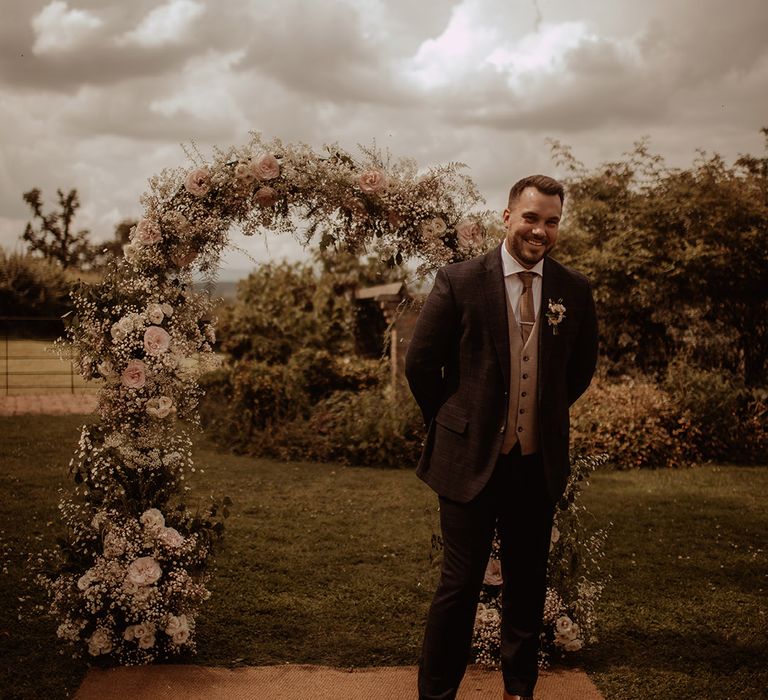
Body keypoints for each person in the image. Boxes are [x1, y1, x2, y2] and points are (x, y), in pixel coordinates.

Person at [405, 175, 598, 700]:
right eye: (532, 217)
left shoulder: (574, 290)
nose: (541, 230)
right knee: (459, 584)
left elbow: (578, 372)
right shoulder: (459, 280)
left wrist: (540, 417)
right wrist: (456, 421)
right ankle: (436, 695)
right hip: (468, 458)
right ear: (507, 216)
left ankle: (518, 691)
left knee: (528, 584)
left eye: (552, 221)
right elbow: (421, 365)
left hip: (535, 463)